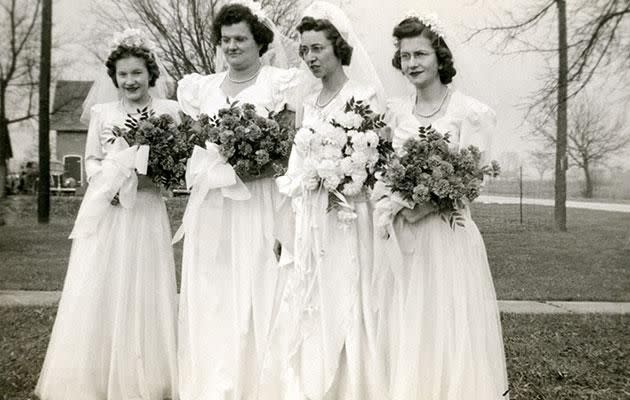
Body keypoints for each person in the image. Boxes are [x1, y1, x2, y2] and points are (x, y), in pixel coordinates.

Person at [35, 29, 179, 400]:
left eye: (137, 73)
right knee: (104, 283)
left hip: (146, 209)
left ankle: (149, 375)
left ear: (151, 74)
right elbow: (92, 161)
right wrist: (111, 183)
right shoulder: (102, 113)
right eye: (123, 74)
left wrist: (152, 179)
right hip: (109, 209)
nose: (130, 81)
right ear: (113, 77)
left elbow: (178, 166)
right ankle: (96, 376)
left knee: (145, 284)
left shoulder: (168, 112)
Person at [377, 13, 510, 399]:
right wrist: (396, 201)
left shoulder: (471, 113)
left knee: (449, 327)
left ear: (440, 56)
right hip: (403, 238)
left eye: (420, 53)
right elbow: (383, 172)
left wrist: (429, 205)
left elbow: (472, 181)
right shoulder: (395, 112)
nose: (412, 63)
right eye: (404, 56)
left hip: (448, 238)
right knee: (409, 324)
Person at [174, 2, 301, 399]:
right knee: (213, 295)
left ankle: (258, 386)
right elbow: (192, 147)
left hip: (259, 203)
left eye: (240, 39)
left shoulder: (278, 84)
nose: (232, 46)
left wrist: (247, 164)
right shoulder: (202, 89)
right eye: (226, 39)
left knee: (257, 288)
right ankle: (214, 386)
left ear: (259, 42)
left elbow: (286, 151)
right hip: (213, 207)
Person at [275, 2, 387, 399]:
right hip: (310, 215)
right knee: (310, 296)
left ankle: (350, 385)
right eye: (304, 50)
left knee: (346, 291)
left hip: (347, 215)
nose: (309, 58)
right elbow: (297, 163)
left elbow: (376, 162)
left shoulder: (364, 98)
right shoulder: (308, 103)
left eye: (317, 48)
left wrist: (342, 178)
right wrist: (288, 220)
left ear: (339, 47)